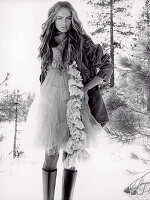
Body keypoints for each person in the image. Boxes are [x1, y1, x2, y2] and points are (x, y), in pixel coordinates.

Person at [25, 1, 113, 200]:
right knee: (50, 154)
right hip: (51, 103)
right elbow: (44, 75)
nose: (64, 22)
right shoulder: (47, 42)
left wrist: (87, 87)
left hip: (74, 101)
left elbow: (107, 65)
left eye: (68, 18)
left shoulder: (83, 41)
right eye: (59, 18)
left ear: (73, 19)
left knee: (70, 154)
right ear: (52, 20)